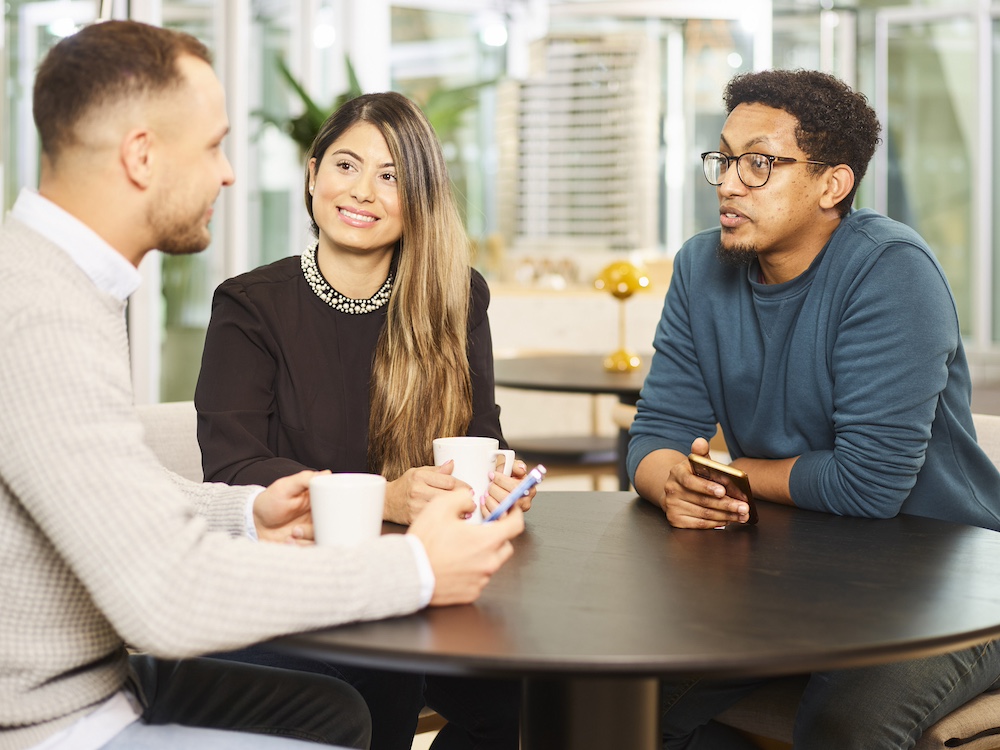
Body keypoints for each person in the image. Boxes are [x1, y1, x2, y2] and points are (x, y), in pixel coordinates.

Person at [0, 20, 524, 750]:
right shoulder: (37, 315)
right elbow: (165, 595)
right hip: (63, 719)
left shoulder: (58, 286)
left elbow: (96, 491)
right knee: (370, 689)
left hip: (103, 677)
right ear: (142, 156)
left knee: (352, 712)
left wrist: (245, 514)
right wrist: (410, 565)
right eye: (214, 146)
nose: (229, 173)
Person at [627, 69, 1000, 749]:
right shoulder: (699, 267)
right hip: (791, 571)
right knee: (623, 696)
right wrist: (673, 483)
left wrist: (731, 472)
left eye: (759, 163)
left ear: (833, 185)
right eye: (726, 158)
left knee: (843, 724)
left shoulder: (891, 271)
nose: (729, 182)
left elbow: (869, 484)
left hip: (955, 586)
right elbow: (655, 435)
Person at [194, 92, 530, 750]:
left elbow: (483, 435)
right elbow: (233, 468)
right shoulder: (251, 306)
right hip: (307, 594)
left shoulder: (457, 297)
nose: (364, 192)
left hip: (439, 589)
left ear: (420, 197)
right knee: (381, 689)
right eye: (346, 165)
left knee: (527, 702)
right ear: (313, 174)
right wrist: (390, 494)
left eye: (391, 176)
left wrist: (497, 478)